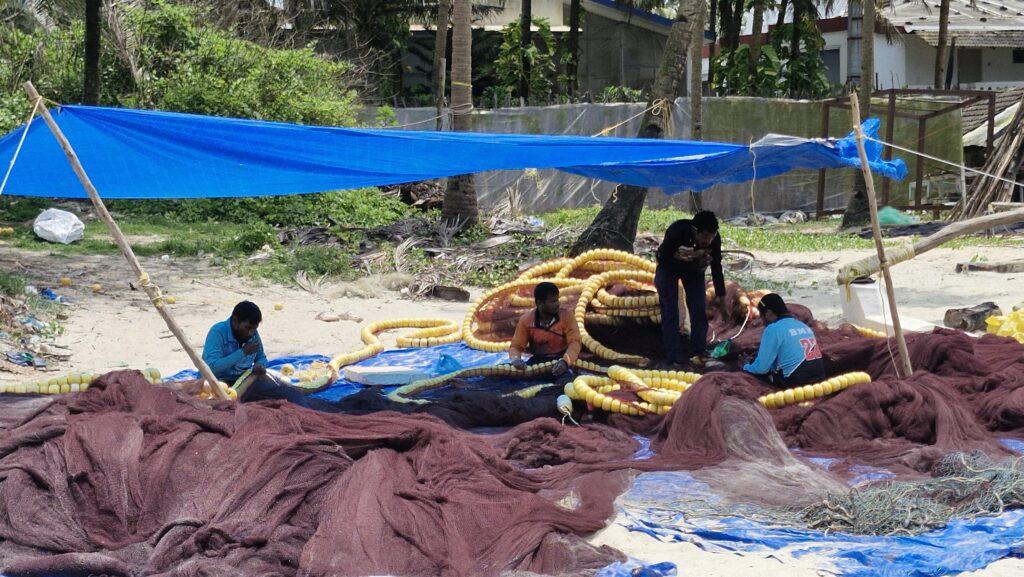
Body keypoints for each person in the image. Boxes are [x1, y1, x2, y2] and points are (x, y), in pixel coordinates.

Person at [655, 210, 725, 367]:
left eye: (712, 237)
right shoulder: (677, 231)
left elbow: (716, 266)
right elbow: (662, 259)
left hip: (694, 271)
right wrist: (691, 256)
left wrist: (721, 293)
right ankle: (673, 355)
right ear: (695, 231)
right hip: (669, 268)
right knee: (671, 310)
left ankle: (698, 352)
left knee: (699, 310)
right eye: (705, 237)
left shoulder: (714, 240)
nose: (708, 241)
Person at [202, 301, 308, 405]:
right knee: (222, 407)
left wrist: (260, 365)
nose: (250, 333)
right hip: (216, 383)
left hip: (243, 381)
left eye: (254, 329)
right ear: (235, 320)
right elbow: (211, 367)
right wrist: (242, 353)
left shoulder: (252, 334)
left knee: (287, 393)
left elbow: (261, 357)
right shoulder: (218, 332)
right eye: (247, 328)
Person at [742, 293, 825, 387]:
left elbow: (762, 368)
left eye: (762, 316)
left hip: (798, 384)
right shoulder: (803, 325)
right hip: (820, 380)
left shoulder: (773, 328)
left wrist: (746, 366)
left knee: (750, 374)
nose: (763, 322)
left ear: (768, 313)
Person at [509, 282, 581, 378]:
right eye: (553, 302)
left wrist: (566, 361)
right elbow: (516, 346)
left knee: (566, 382)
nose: (557, 304)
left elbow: (575, 342)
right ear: (539, 303)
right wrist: (515, 360)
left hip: (560, 361)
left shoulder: (567, 316)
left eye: (557, 300)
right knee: (503, 375)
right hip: (538, 361)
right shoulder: (526, 320)